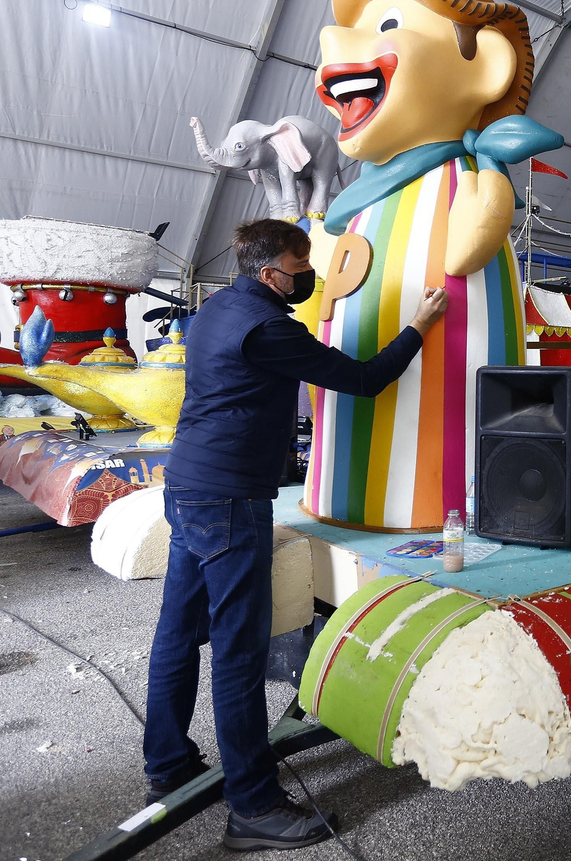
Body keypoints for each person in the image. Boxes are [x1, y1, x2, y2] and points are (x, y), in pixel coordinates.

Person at [143, 218, 447, 851]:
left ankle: (168, 766)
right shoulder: (269, 328)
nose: (307, 274)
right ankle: (252, 806)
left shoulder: (218, 308)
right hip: (229, 497)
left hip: (190, 486)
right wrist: (421, 323)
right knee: (237, 651)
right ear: (267, 272)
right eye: (299, 264)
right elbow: (364, 380)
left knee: (177, 633)